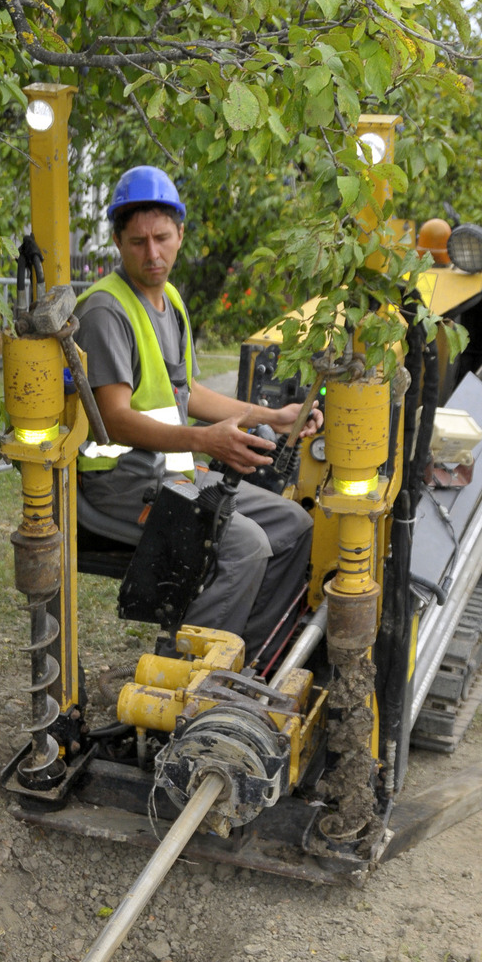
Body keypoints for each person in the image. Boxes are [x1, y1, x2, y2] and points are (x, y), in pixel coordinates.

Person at [75, 165, 322, 658]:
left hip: (173, 473)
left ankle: (245, 659)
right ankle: (186, 672)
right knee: (246, 546)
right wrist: (204, 441)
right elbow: (114, 419)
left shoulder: (170, 300)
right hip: (120, 483)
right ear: (118, 243)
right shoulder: (105, 311)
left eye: (162, 238)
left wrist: (270, 416)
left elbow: (187, 394)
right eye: (138, 241)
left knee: (294, 526)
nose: (153, 253)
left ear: (181, 235)